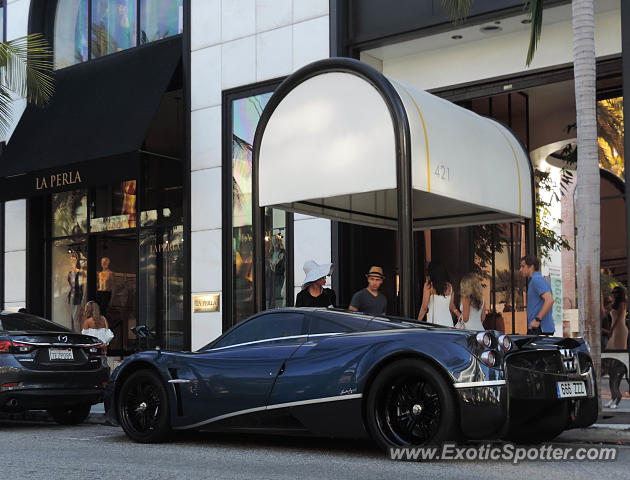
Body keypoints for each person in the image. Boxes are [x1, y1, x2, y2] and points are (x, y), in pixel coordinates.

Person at [519, 255, 555, 335]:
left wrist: (537, 319)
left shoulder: (537, 280)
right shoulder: (535, 280)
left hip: (540, 328)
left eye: (523, 266)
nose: (520, 270)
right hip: (538, 328)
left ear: (531, 267)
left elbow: (550, 300)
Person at [606, 286, 628, 351]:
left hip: (619, 329)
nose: (614, 294)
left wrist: (611, 330)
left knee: (616, 350)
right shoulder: (616, 303)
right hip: (616, 329)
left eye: (616, 292)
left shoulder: (622, 303)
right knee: (610, 349)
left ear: (620, 293)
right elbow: (606, 309)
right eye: (613, 292)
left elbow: (618, 319)